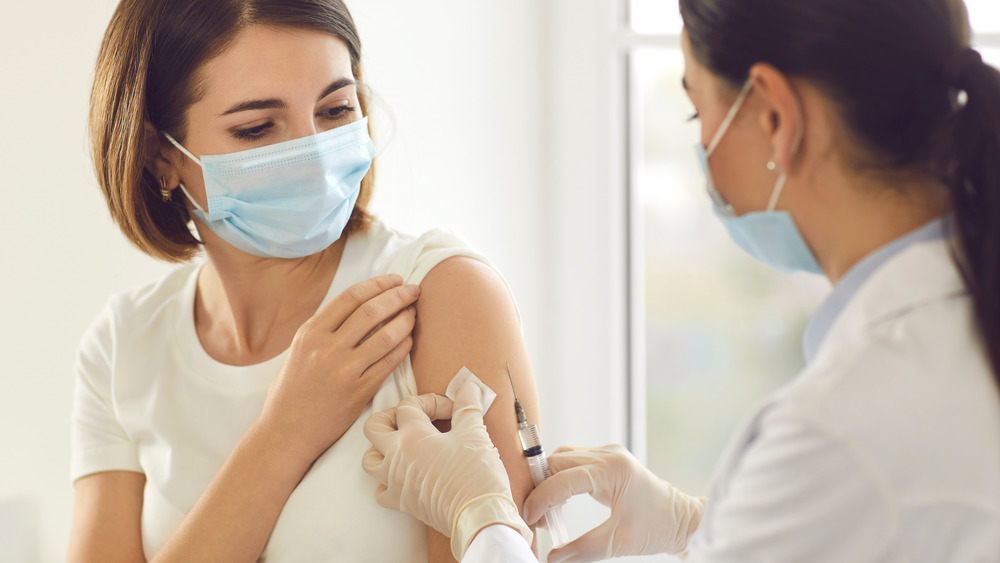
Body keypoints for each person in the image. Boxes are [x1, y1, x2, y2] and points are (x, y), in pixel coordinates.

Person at [363, 0, 1000, 561]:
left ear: (776, 117)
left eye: (698, 115)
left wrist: (482, 519)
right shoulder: (950, 328)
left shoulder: (842, 429)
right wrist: (700, 525)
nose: (702, 153)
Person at [67, 1, 541, 561]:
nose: (313, 156)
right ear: (158, 157)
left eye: (336, 109)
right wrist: (282, 434)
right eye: (257, 127)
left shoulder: (441, 296)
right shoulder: (124, 347)